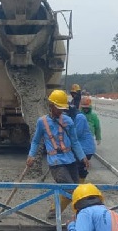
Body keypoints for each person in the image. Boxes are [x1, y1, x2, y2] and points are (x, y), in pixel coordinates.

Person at [26, 89, 89, 220]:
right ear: (51, 105)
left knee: (73, 189)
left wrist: (83, 157)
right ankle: (84, 216)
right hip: (56, 163)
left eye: (62, 108)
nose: (60, 111)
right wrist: (31, 156)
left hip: (70, 160)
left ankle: (54, 212)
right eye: (58, 108)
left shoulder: (68, 121)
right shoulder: (42, 122)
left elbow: (75, 141)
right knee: (73, 190)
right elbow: (36, 141)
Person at [74, 108, 95, 184]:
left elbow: (77, 134)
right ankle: (79, 185)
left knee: (80, 168)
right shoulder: (77, 117)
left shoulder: (80, 117)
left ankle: (80, 186)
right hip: (81, 147)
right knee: (78, 168)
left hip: (85, 148)